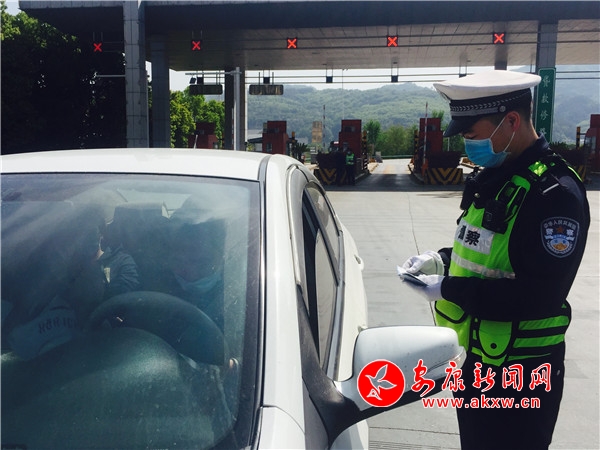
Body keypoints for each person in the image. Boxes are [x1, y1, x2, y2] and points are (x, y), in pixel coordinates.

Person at [400, 70, 590, 450]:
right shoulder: (498, 179)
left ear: (512, 121)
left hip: (522, 374)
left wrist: (450, 289)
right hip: (478, 362)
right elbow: (488, 251)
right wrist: (441, 260)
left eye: (473, 134)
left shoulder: (554, 195)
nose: (468, 143)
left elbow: (539, 295)